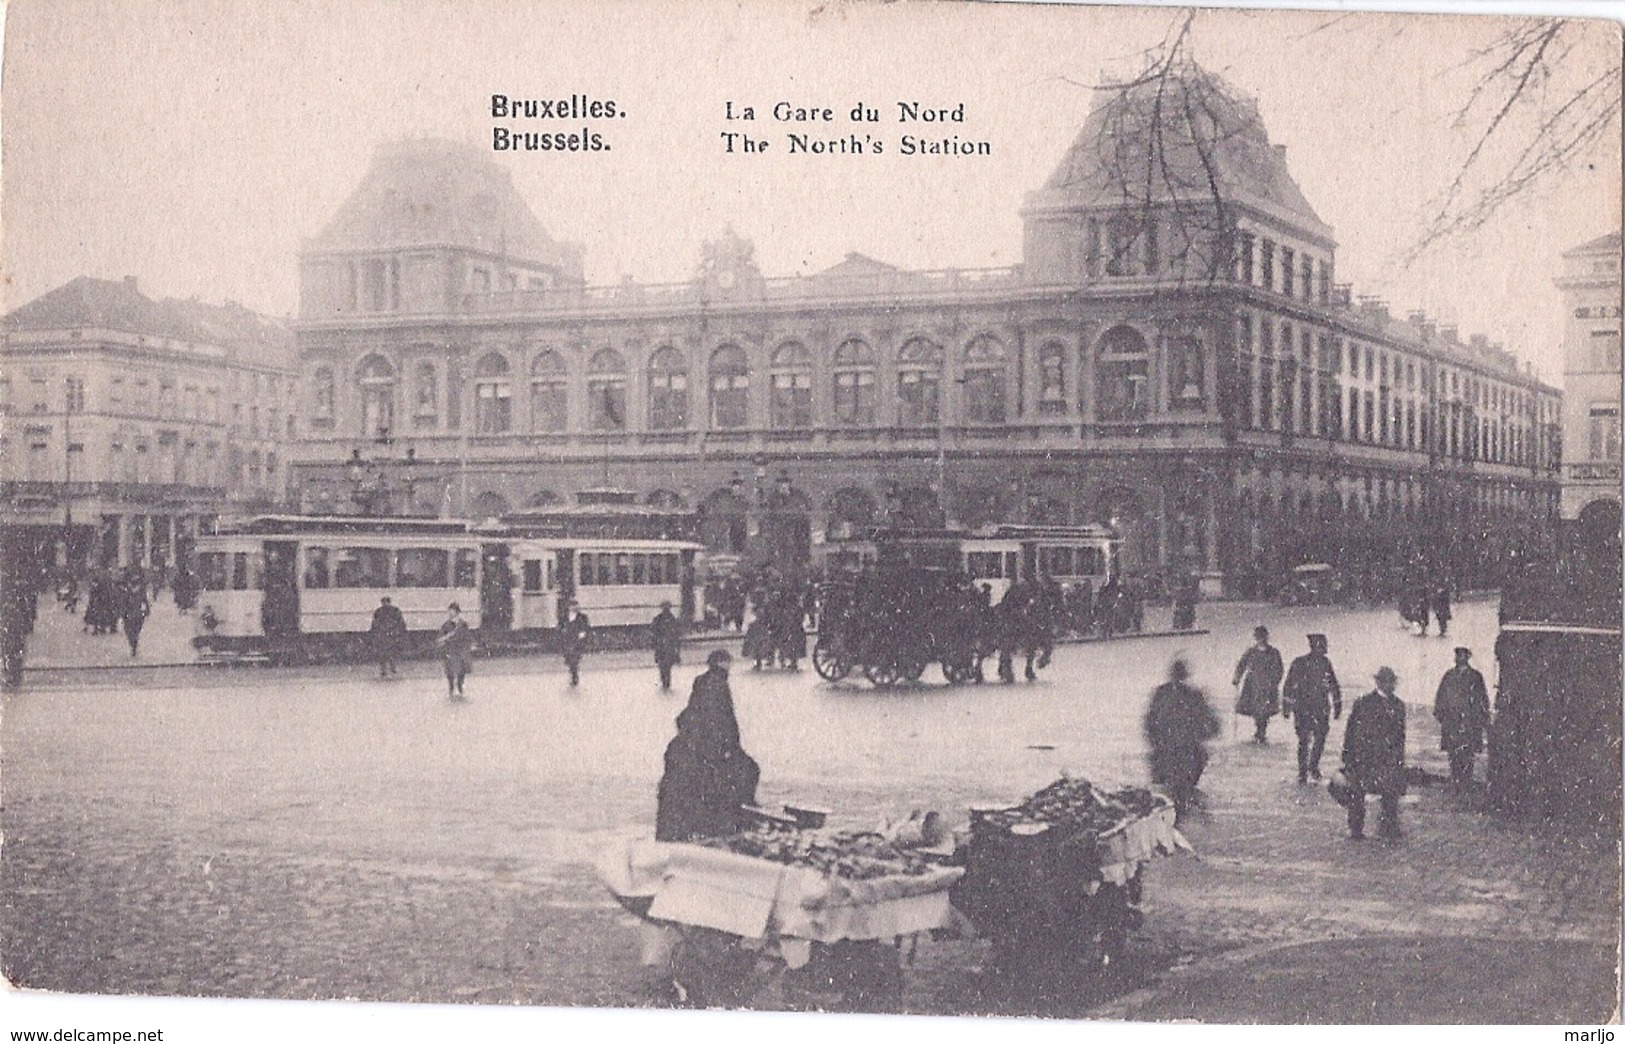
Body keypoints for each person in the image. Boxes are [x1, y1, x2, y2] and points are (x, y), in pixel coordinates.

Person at [655, 649, 761, 842]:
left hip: (702, 742)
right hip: (713, 745)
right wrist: (731, 747)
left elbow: (696, 711)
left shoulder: (703, 681)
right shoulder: (718, 684)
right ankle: (737, 812)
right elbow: (723, 719)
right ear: (723, 663)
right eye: (728, 662)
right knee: (747, 770)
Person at [1144, 657, 1220, 824]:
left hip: (1166, 751)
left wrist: (1155, 743)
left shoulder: (1160, 693)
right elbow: (1209, 723)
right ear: (1185, 675)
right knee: (1183, 786)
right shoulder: (1193, 695)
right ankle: (1181, 813)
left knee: (1169, 789)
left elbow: (1149, 722)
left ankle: (1174, 818)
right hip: (1185, 752)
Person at [1341, 666, 1408, 840]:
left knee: (1390, 793)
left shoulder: (1399, 705)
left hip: (1388, 757)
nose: (1388, 685)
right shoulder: (1363, 702)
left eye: (1391, 682)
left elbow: (1400, 735)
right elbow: (1351, 730)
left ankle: (1389, 827)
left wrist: (1399, 759)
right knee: (1357, 793)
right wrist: (1347, 755)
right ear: (1378, 682)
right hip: (1365, 756)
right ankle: (1356, 829)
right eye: (1385, 681)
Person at [1281, 633, 1343, 783]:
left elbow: (1333, 684)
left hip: (1318, 708)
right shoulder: (1299, 663)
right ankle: (1303, 770)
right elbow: (1288, 685)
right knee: (1304, 739)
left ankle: (1312, 767)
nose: (1323, 650)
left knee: (1319, 738)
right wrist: (1286, 707)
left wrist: (1337, 704)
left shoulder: (1325, 663)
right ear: (1314, 648)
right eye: (1321, 647)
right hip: (1304, 707)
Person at [1433, 647, 1490, 784]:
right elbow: (1441, 696)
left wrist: (1481, 718)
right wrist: (1441, 715)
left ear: (1467, 658)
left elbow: (1482, 698)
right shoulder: (1449, 675)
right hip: (1452, 721)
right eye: (1458, 656)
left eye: (1462, 656)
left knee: (1468, 752)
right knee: (1453, 752)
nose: (1459, 659)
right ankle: (1456, 778)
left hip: (1469, 721)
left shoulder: (1476, 677)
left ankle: (1466, 779)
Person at [1232, 625, 1283, 743]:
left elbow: (1279, 669)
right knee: (1256, 709)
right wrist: (1236, 678)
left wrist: (1275, 681)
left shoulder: (1273, 652)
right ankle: (1259, 730)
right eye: (1258, 637)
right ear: (1256, 638)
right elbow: (1241, 665)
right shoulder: (1251, 652)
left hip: (1267, 685)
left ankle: (1261, 731)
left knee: (1265, 710)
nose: (1261, 639)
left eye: (1263, 637)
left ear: (1266, 637)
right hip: (1253, 684)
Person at [435, 602, 474, 699]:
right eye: (449, 611)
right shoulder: (446, 625)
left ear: (457, 612)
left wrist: (470, 644)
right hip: (450, 650)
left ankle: (460, 687)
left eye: (452, 611)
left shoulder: (463, 624)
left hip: (461, 649)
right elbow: (440, 637)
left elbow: (467, 635)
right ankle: (451, 688)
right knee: (450, 671)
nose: (450, 613)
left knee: (462, 670)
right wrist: (443, 641)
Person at [370, 595, 407, 679]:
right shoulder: (387, 611)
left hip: (389, 635)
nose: (384, 604)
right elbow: (375, 623)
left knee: (390, 653)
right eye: (383, 603)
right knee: (385, 653)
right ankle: (386, 671)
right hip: (386, 635)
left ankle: (391, 670)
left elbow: (401, 623)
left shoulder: (384, 611)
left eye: (385, 602)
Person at [651, 600, 683, 691]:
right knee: (667, 667)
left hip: (662, 647)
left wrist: (655, 644)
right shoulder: (673, 619)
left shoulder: (658, 619)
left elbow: (653, 633)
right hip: (668, 647)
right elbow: (677, 635)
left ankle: (665, 683)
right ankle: (666, 683)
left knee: (663, 667)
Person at [119, 569, 150, 658]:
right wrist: (146, 611)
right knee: (134, 631)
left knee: (131, 631)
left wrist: (122, 612)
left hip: (131, 615)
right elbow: (145, 602)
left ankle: (133, 644)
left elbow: (145, 602)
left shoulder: (128, 592)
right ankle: (134, 644)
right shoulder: (132, 592)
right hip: (136, 614)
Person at [559, 601, 591, 686]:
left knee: (574, 658)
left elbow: (586, 628)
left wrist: (583, 633)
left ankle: (574, 677)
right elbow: (560, 627)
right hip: (568, 641)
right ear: (569, 607)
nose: (575, 607)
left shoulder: (583, 617)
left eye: (576, 606)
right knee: (569, 659)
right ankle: (573, 673)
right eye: (573, 606)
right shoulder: (564, 617)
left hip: (577, 641)